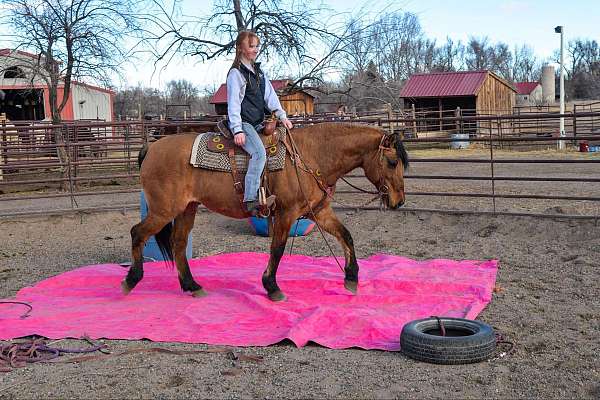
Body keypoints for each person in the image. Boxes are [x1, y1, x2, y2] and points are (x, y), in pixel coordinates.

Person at [226, 30, 293, 215]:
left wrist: (282, 116)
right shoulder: (236, 74)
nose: (255, 50)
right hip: (244, 123)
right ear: (240, 48)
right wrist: (237, 130)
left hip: (258, 123)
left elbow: (270, 97)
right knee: (259, 154)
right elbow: (233, 104)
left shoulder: (259, 73)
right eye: (251, 46)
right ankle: (250, 199)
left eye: (257, 46)